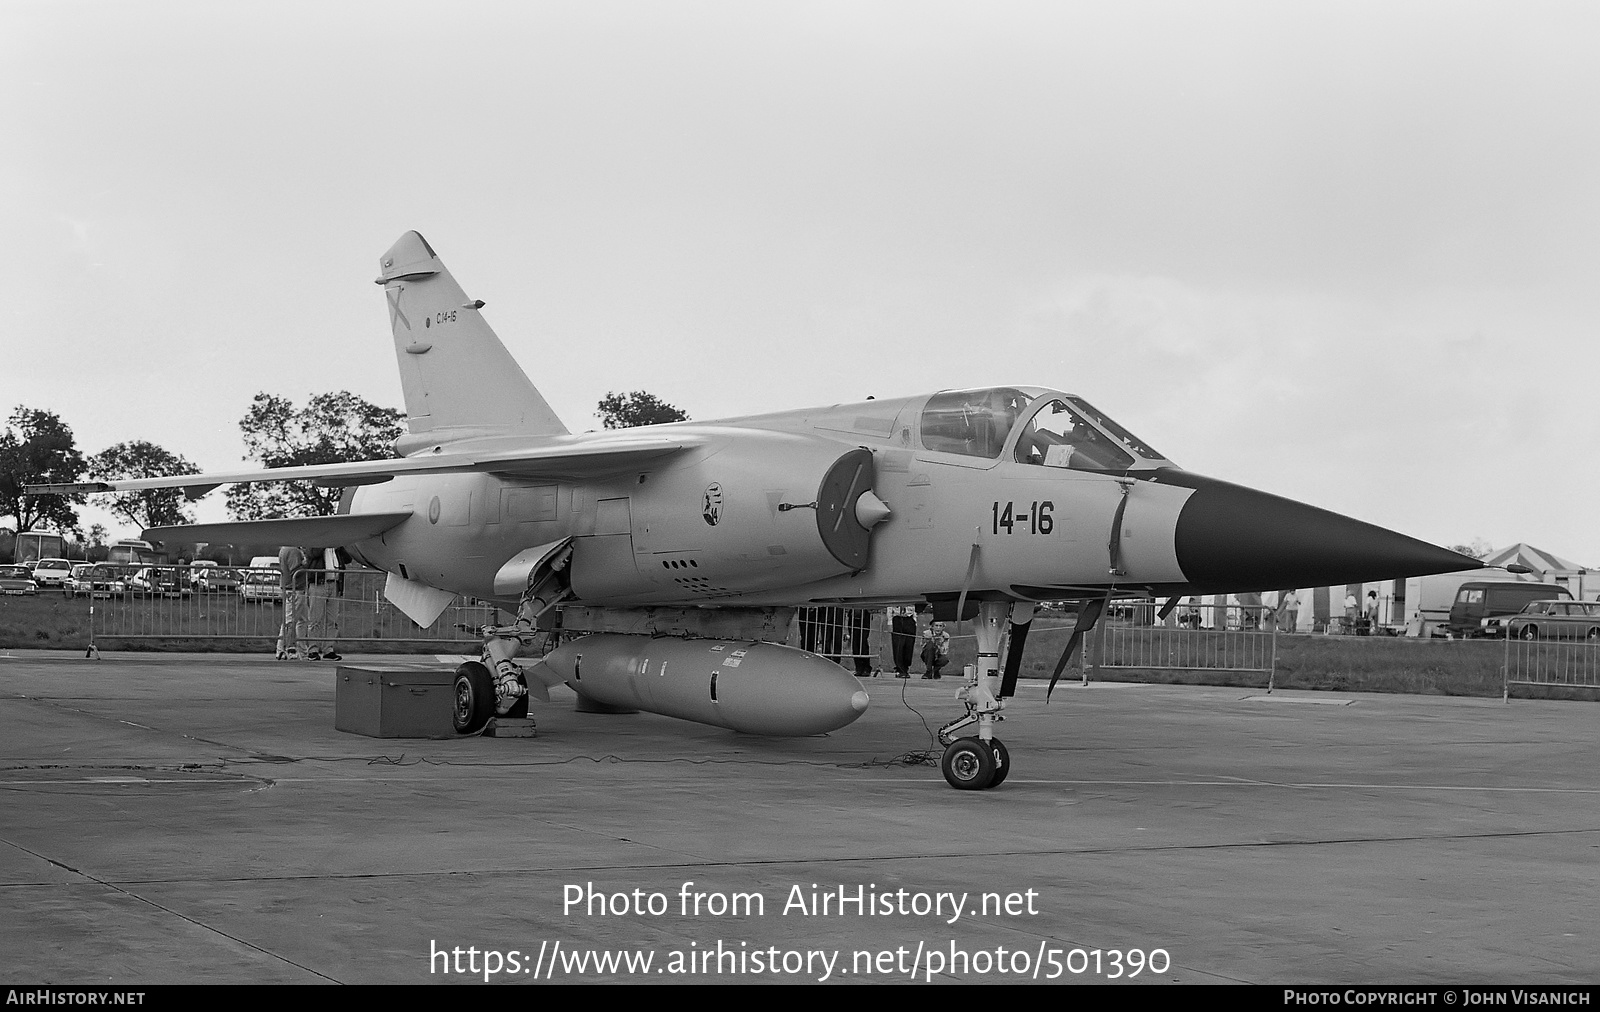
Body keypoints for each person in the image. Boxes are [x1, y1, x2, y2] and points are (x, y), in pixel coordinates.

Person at [303, 547, 344, 661]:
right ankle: (313, 650)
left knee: (332, 619)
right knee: (316, 619)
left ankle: (328, 649)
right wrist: (324, 543)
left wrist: (341, 545)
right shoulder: (316, 542)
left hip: (334, 583)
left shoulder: (336, 548)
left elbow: (347, 559)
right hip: (318, 583)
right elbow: (312, 553)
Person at [275, 546, 311, 660]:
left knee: (302, 620)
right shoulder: (293, 551)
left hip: (293, 588)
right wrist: (306, 564)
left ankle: (300, 649)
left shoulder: (285, 549)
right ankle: (286, 647)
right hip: (295, 589)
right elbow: (295, 571)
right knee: (290, 620)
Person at [888, 605, 917, 677]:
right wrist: (889, 622)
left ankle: (906, 668)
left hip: (909, 618)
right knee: (898, 646)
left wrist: (915, 620)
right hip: (897, 618)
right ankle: (900, 669)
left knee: (909, 646)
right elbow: (889, 607)